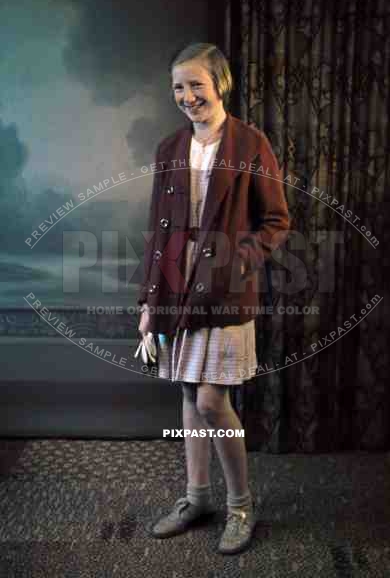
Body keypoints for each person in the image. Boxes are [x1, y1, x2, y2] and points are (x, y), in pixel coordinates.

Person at [137, 42, 290, 555]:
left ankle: (241, 504)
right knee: (186, 392)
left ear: (220, 84)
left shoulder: (251, 144)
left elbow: (276, 220)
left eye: (196, 85)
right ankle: (197, 497)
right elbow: (157, 232)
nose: (186, 96)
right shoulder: (168, 148)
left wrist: (239, 259)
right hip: (176, 289)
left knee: (210, 399)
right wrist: (147, 302)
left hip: (224, 289)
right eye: (178, 87)